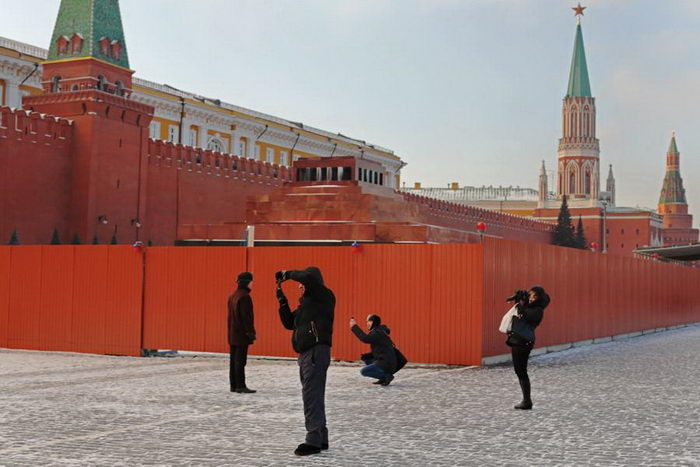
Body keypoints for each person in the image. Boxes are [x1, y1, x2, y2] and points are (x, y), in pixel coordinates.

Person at [276, 267, 335, 457]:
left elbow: (308, 278)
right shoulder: (306, 305)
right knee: (314, 395)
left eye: (302, 284)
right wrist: (282, 299)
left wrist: (287, 274)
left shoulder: (323, 296)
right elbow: (288, 323)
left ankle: (313, 440)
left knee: (311, 395)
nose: (300, 286)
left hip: (315, 352)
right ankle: (321, 437)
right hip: (307, 354)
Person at [507, 285, 550, 410]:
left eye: (535, 296)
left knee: (521, 371)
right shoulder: (531, 305)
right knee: (519, 371)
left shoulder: (538, 310)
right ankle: (526, 400)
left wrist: (520, 304)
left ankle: (527, 401)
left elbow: (526, 314)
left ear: (539, 298)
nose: (532, 298)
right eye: (531, 295)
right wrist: (521, 297)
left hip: (524, 342)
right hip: (519, 341)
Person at [227, 271, 256, 394]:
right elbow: (247, 318)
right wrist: (250, 333)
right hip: (241, 334)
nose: (252, 284)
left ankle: (233, 385)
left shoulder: (233, 295)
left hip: (232, 333)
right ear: (247, 282)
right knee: (240, 361)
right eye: (251, 281)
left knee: (234, 360)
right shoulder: (245, 297)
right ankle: (240, 385)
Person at [350, 314, 397, 386]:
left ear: (375, 322)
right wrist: (368, 355)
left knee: (364, 371)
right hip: (387, 360)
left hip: (387, 363)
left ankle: (386, 376)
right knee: (367, 359)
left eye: (370, 321)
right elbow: (380, 349)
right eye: (367, 321)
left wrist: (354, 327)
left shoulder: (378, 333)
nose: (367, 323)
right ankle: (382, 378)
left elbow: (365, 338)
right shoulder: (380, 331)